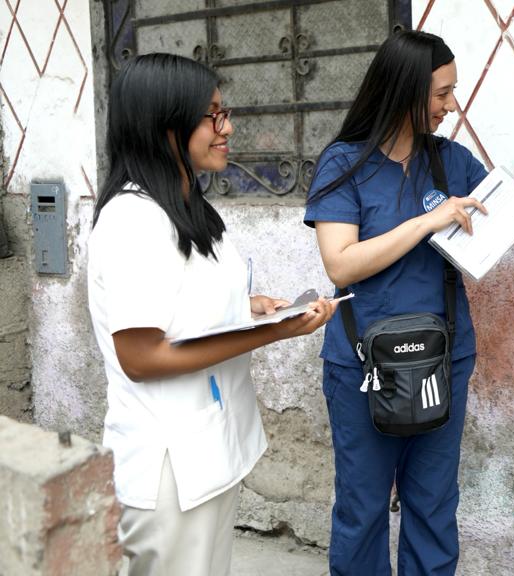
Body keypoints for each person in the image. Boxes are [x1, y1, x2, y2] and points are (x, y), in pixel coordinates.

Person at [303, 30, 514, 576]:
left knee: (433, 505)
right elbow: (341, 263)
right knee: (362, 509)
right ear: (404, 89)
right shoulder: (344, 163)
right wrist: (426, 221)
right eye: (441, 93)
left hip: (442, 359)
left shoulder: (450, 162)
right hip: (364, 365)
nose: (450, 106)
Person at [87, 53, 337, 576]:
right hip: (170, 467)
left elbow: (180, 304)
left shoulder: (186, 204)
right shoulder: (132, 220)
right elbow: (141, 355)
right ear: (165, 124)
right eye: (213, 116)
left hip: (208, 450)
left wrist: (253, 308)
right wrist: (270, 334)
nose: (228, 129)